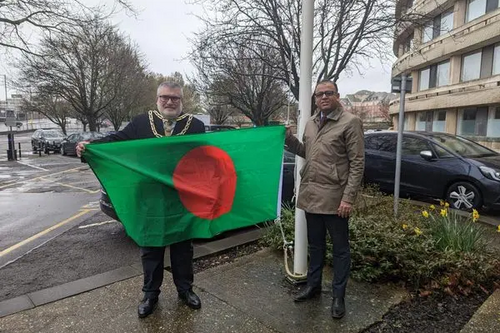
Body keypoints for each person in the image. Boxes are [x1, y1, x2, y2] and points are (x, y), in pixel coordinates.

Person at [76, 81, 206, 318]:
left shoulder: (196, 126)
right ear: (157, 99)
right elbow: (117, 141)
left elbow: (205, 157)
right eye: (165, 97)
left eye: (175, 98)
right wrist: (91, 147)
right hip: (149, 198)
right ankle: (150, 295)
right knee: (151, 249)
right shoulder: (140, 123)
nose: (169, 102)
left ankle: (185, 290)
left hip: (181, 198)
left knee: (182, 249)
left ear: (181, 101)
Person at [285, 80, 364, 319]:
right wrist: (288, 139)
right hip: (312, 196)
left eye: (329, 93)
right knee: (315, 246)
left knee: (340, 250)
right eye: (319, 94)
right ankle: (313, 285)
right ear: (315, 98)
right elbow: (307, 153)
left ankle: (338, 296)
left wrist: (348, 199)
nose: (324, 97)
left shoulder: (350, 122)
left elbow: (358, 163)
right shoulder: (310, 123)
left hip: (336, 199)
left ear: (337, 95)